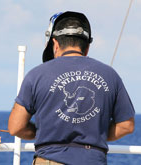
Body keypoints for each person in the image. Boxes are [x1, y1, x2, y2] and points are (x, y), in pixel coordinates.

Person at [8, 11, 135, 165]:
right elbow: (126, 126)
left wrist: (44, 132)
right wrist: (95, 134)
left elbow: (16, 127)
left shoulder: (36, 75)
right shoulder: (110, 75)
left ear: (54, 44)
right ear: (86, 47)